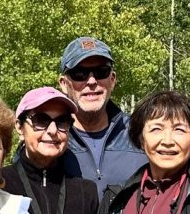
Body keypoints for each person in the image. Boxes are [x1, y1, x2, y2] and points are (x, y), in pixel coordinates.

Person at [2, 87, 99, 214]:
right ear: (19, 127)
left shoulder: (85, 191)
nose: (52, 130)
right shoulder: (0, 185)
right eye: (41, 120)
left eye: (62, 121)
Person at [57, 36, 147, 197]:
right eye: (80, 74)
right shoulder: (50, 139)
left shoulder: (140, 132)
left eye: (101, 72)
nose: (91, 81)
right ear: (64, 84)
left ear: (112, 80)